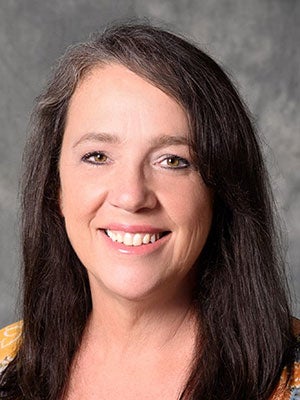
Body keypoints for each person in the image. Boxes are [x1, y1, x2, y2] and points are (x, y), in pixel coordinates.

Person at [0, 20, 299, 400]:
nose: (131, 196)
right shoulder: (5, 364)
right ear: (55, 188)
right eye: (97, 156)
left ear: (221, 188)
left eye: (172, 160)